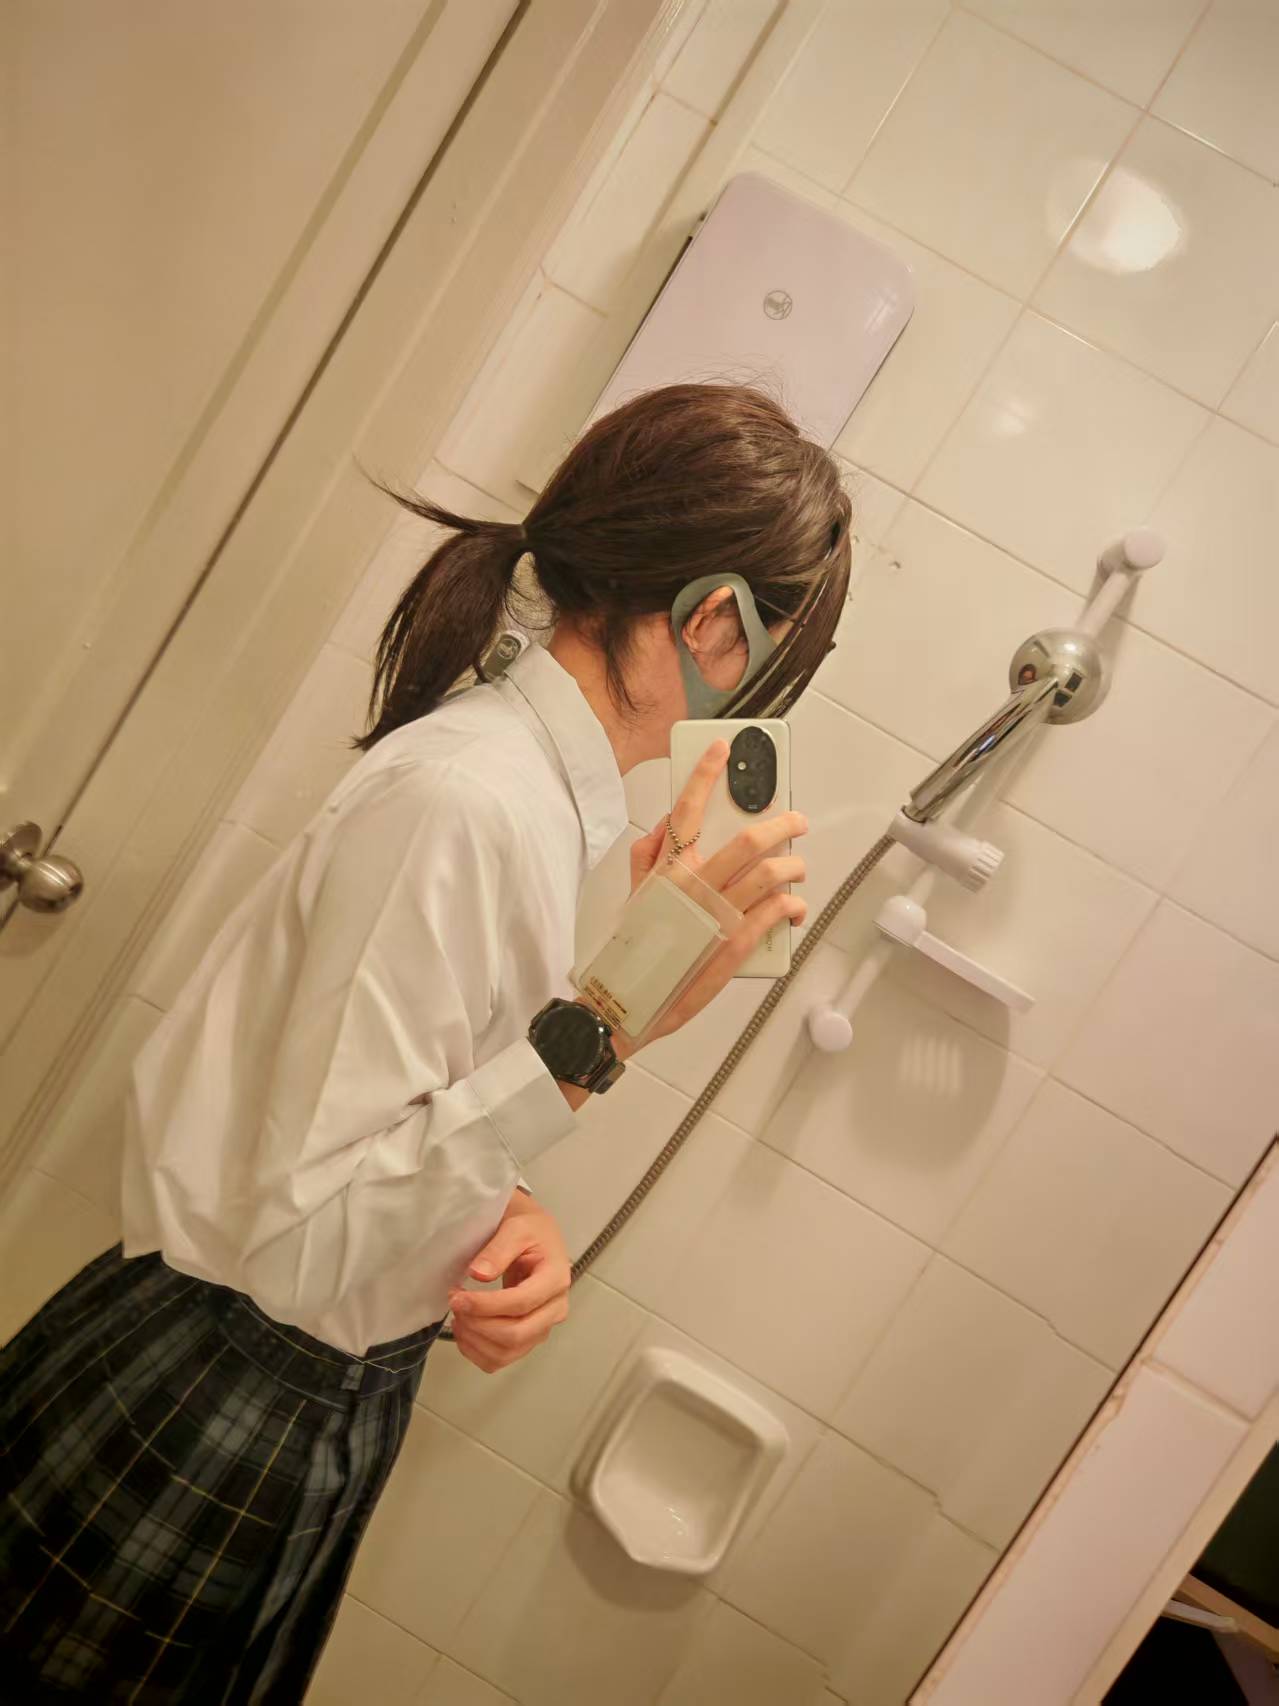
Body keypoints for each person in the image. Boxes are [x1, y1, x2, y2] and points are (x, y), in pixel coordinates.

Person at [0, 382, 851, 1702]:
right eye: (782, 650)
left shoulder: (535, 804)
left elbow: (380, 1116)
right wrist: (613, 1017)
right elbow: (304, 1240)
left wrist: (509, 1210)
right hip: (215, 1394)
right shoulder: (468, 800)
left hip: (277, 1396)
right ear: (717, 624)